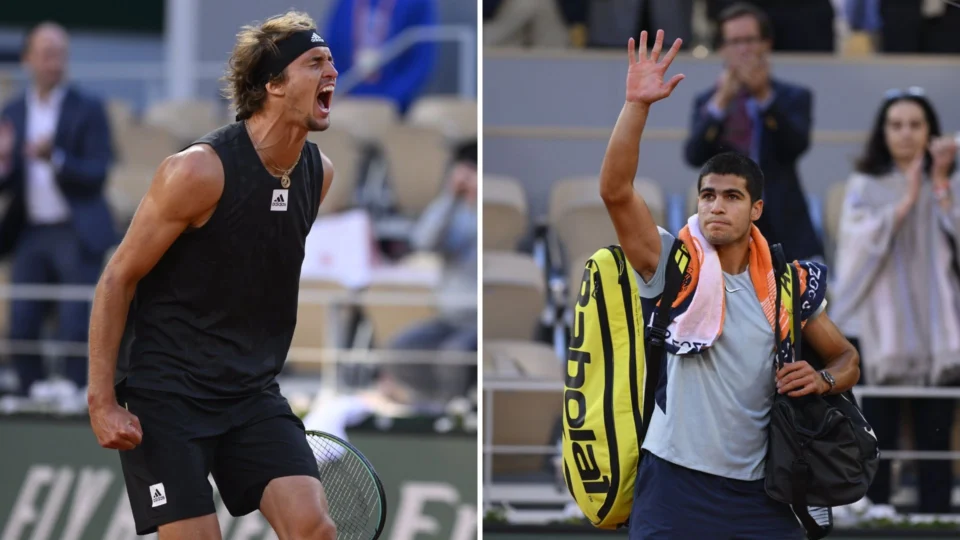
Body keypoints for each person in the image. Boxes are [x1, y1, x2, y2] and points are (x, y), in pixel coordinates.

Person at [86, 11, 337, 539]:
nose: (331, 72)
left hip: (250, 393)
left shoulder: (320, 174)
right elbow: (117, 278)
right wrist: (101, 399)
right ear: (273, 84)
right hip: (168, 394)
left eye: (331, 61)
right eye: (315, 62)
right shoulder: (197, 171)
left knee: (314, 527)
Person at [600, 29, 860, 538]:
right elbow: (614, 191)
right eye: (708, 195)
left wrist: (824, 380)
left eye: (732, 197)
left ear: (756, 209)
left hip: (763, 491)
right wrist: (636, 105)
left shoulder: (789, 284)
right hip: (674, 484)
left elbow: (847, 359)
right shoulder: (672, 264)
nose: (716, 206)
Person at [831, 88, 960, 515]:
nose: (905, 134)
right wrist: (904, 202)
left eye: (915, 125)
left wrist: (938, 183)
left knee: (935, 434)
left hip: (937, 330)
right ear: (883, 132)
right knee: (877, 433)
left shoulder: (949, 182)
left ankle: (938, 515)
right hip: (878, 331)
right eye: (896, 125)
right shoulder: (865, 184)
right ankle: (876, 514)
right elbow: (853, 249)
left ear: (930, 131)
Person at [0, 22, 115, 399]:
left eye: (61, 54)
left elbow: (98, 173)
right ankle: (28, 391)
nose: (55, 63)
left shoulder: (89, 108)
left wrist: (57, 159)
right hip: (30, 230)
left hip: (74, 228)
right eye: (47, 54)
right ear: (28, 58)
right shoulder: (13, 111)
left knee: (74, 319)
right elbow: (8, 178)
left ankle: (75, 392)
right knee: (21, 320)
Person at [684, 3, 823, 262]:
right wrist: (721, 103)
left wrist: (764, 98)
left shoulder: (793, 97)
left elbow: (796, 145)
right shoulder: (708, 101)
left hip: (782, 222)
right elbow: (693, 155)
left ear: (766, 43)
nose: (744, 49)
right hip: (724, 223)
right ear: (722, 49)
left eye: (750, 40)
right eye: (734, 42)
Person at [381, 139, 477, 410]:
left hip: (477, 322)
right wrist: (451, 198)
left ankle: (452, 414)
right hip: (448, 317)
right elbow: (423, 241)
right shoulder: (452, 211)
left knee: (454, 356)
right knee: (400, 349)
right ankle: (430, 407)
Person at [322, 0, 438, 115]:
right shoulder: (345, 3)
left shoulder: (418, 3)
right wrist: (337, 91)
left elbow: (421, 60)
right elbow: (330, 50)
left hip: (396, 108)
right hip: (347, 101)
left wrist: (392, 99)